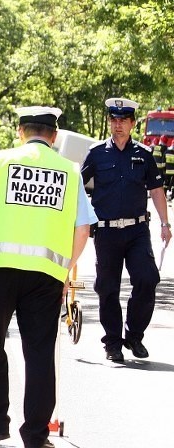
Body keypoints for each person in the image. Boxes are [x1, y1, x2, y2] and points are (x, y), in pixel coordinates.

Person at [0, 106, 96, 448]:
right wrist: (66, 270)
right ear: (55, 136)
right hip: (46, 276)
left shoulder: (0, 162)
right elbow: (83, 229)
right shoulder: (69, 170)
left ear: (20, 131)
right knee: (39, 352)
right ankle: (35, 436)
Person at [80, 98, 171, 362]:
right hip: (106, 232)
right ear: (110, 122)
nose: (118, 125)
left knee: (147, 278)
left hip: (137, 231)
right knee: (107, 287)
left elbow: (156, 190)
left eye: (123, 121)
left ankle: (133, 335)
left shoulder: (144, 154)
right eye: (114, 120)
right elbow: (77, 186)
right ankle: (112, 343)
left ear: (132, 124)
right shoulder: (96, 153)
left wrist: (165, 224)